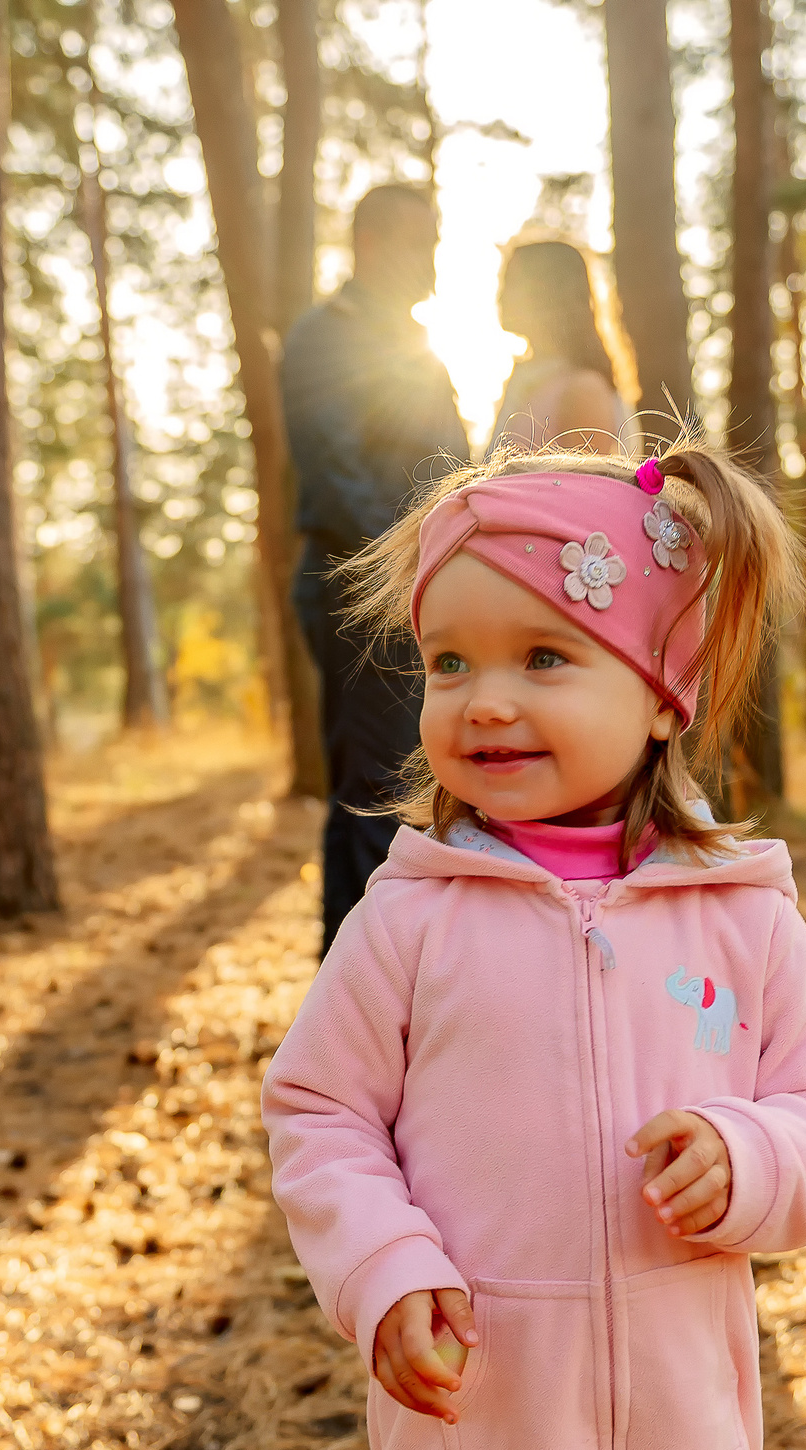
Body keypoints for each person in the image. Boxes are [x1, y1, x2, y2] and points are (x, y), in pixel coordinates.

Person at [263, 441, 806, 1450]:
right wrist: (386, 1267)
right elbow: (320, 1110)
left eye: (543, 656)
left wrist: (751, 1156)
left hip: (685, 1440)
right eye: (450, 661)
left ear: (664, 691)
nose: (483, 699)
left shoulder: (741, 913)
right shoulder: (411, 914)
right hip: (481, 1432)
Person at [281, 183, 472, 955]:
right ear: (373, 245)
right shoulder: (325, 339)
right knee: (374, 795)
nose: (432, 261)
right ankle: (352, 1003)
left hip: (423, 595)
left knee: (417, 791)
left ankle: (405, 983)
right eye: (419, 243)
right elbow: (336, 477)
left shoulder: (421, 347)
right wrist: (407, 576)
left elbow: (454, 468)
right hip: (361, 594)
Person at [489, 237, 633, 453]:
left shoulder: (584, 389)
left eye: (512, 283)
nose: (500, 296)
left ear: (547, 290)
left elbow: (588, 485)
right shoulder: (530, 379)